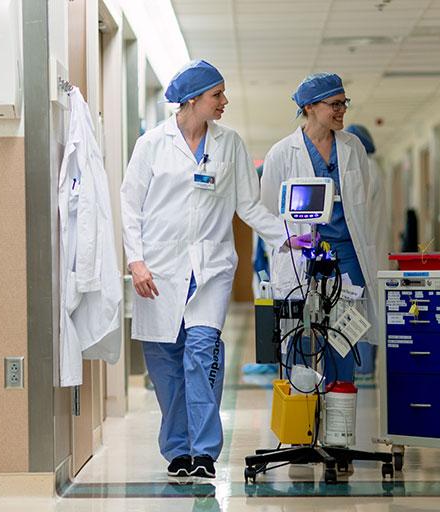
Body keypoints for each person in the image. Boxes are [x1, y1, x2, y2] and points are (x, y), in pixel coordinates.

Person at [121, 59, 292, 479]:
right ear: (193, 99)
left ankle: (203, 452)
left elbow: (248, 205)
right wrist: (136, 261)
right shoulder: (152, 145)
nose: (224, 102)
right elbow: (130, 204)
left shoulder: (229, 144)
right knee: (165, 365)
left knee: (201, 353)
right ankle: (177, 451)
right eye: (217, 95)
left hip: (211, 269)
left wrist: (288, 237)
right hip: (158, 272)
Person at [259, 73, 382, 386]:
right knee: (301, 338)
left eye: (344, 103)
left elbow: (360, 201)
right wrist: (289, 239)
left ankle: (339, 427)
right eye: (335, 104)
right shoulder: (282, 153)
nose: (342, 110)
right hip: (303, 258)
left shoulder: (352, 148)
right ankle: (304, 424)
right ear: (311, 107)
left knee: (344, 337)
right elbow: (267, 211)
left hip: (347, 255)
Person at [344, 123, 389, 385]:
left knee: (358, 314)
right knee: (365, 312)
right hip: (370, 251)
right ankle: (365, 367)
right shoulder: (376, 169)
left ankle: (361, 369)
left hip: (362, 253)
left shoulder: (364, 170)